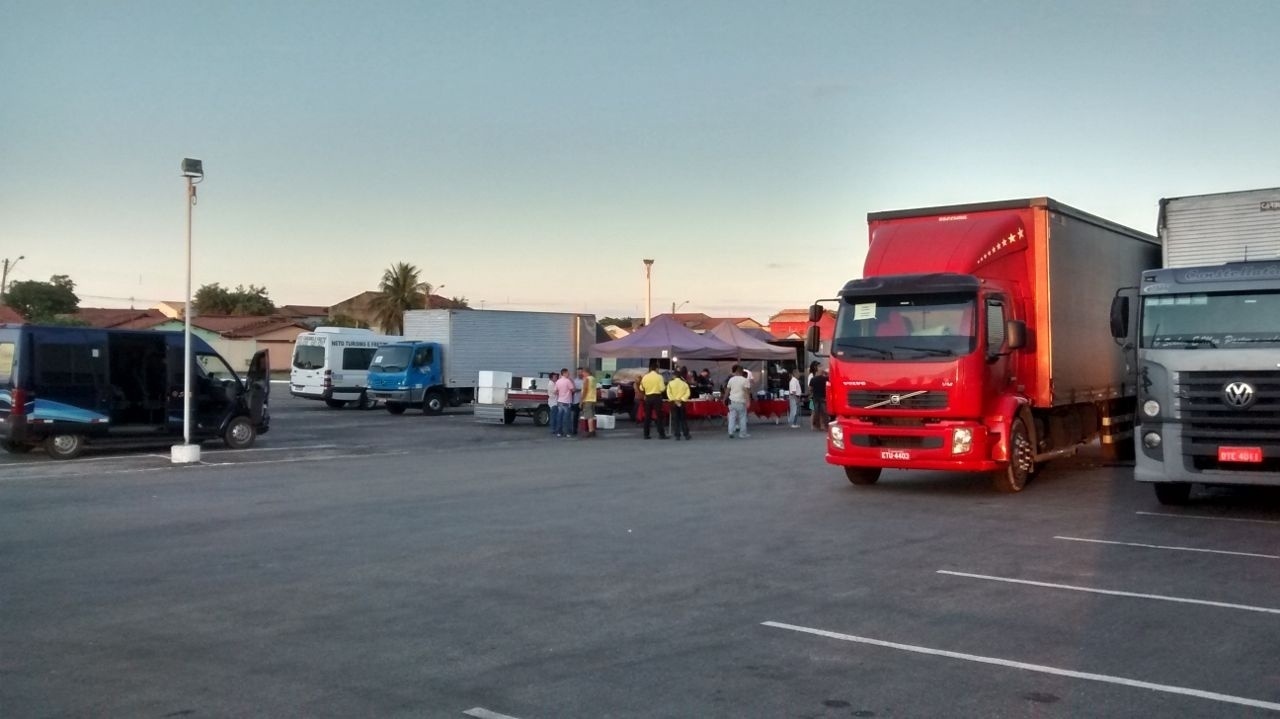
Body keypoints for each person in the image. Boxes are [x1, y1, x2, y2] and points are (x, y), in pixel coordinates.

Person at [638, 358, 668, 439]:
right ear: (657, 368)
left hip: (648, 398)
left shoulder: (645, 377)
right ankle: (661, 434)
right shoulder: (659, 377)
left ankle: (646, 434)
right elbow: (662, 388)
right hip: (657, 397)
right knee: (659, 416)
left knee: (647, 416)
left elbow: (641, 388)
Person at [725, 364, 752, 439]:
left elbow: (727, 390)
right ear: (741, 371)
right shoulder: (745, 380)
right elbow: (746, 392)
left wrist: (724, 399)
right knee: (742, 417)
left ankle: (730, 431)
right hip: (741, 401)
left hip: (732, 401)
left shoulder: (731, 379)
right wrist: (748, 401)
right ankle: (742, 433)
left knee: (732, 417)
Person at [666, 368, 692, 441]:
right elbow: (688, 393)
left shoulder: (670, 383)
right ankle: (686, 434)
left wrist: (674, 400)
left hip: (673, 403)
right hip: (682, 403)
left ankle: (677, 435)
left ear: (674, 376)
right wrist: (682, 399)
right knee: (683, 419)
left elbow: (668, 393)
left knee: (675, 420)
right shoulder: (684, 384)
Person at [554, 368, 575, 437]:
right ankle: (567, 432)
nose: (568, 374)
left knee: (559, 417)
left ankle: (559, 432)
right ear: (564, 373)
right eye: (567, 373)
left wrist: (560, 393)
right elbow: (573, 390)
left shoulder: (558, 381)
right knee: (567, 418)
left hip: (560, 401)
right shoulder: (568, 381)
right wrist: (572, 382)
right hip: (567, 401)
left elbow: (555, 391)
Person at [578, 367, 597, 438]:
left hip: (587, 399)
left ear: (586, 372)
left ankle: (590, 431)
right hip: (593, 399)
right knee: (592, 415)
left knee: (589, 416)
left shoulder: (587, 379)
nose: (582, 374)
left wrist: (581, 401)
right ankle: (592, 430)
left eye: (583, 372)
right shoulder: (593, 379)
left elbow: (585, 390)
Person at [809, 366, 829, 431]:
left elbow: (810, 389)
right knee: (823, 413)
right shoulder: (826, 379)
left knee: (814, 412)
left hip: (814, 398)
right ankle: (823, 426)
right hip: (823, 397)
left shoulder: (813, 379)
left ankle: (813, 426)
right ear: (823, 372)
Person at [546, 371, 560, 436]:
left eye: (556, 376)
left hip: (555, 402)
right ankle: (553, 429)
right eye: (555, 377)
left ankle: (554, 429)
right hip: (553, 402)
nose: (556, 377)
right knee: (553, 416)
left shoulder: (554, 383)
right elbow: (555, 392)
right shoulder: (551, 384)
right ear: (551, 378)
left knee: (555, 416)